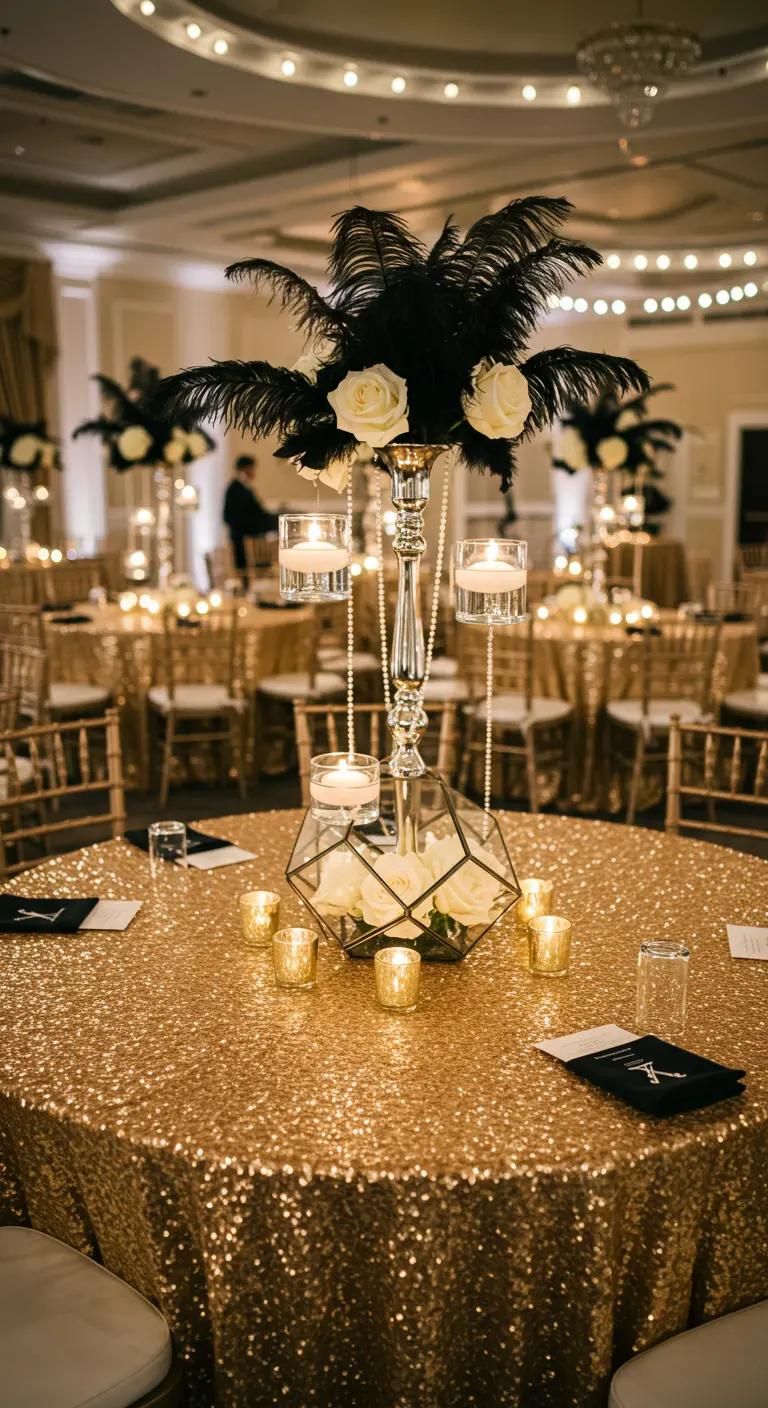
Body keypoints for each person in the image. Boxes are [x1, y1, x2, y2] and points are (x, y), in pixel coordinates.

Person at [222, 453, 278, 573]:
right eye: (252, 468)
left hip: (250, 536)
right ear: (246, 468)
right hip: (243, 540)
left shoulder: (245, 487)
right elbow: (229, 516)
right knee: (245, 571)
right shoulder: (235, 488)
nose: (254, 471)